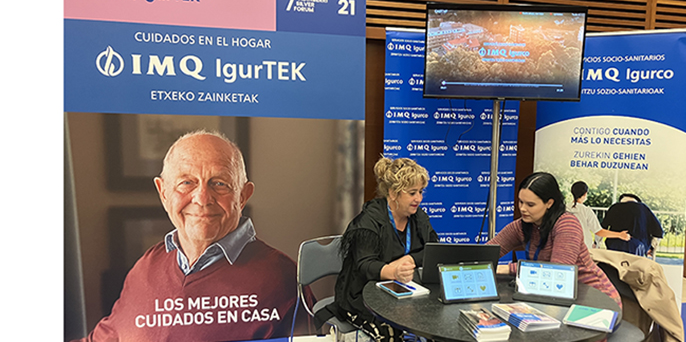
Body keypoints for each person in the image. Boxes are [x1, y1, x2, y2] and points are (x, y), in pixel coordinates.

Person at [77, 130, 313, 342]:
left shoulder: (284, 280)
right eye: (186, 182)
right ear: (163, 193)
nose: (202, 198)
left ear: (243, 196)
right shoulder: (145, 268)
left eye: (219, 183)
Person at [325, 157, 438, 342]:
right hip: (362, 297)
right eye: (412, 193)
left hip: (403, 296)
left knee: (433, 325)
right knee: (390, 334)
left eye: (420, 191)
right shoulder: (369, 222)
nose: (418, 198)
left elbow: (433, 250)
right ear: (393, 193)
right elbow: (366, 265)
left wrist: (407, 261)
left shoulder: (419, 218)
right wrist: (393, 271)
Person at [487, 172, 622, 309]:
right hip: (557, 299)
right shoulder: (521, 226)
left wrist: (507, 268)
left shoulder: (567, 224)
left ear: (549, 203)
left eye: (530, 204)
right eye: (520, 202)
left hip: (596, 299)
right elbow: (487, 253)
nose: (522, 208)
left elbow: (557, 272)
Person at [567, 181, 631, 249]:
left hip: (566, 245)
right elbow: (598, 231)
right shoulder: (586, 211)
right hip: (583, 247)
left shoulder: (564, 208)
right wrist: (620, 235)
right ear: (585, 194)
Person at [601, 193, 664, 257]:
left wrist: (596, 243)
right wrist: (651, 248)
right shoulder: (643, 208)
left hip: (614, 245)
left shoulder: (614, 207)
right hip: (637, 246)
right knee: (635, 266)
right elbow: (658, 232)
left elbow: (601, 229)